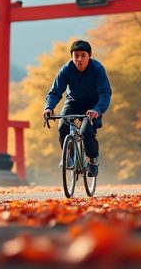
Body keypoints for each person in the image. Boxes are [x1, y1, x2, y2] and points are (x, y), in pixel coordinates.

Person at [42, 40, 112, 177]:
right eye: (76, 56)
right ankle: (70, 156)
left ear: (89, 56)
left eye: (83, 55)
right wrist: (49, 108)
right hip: (73, 102)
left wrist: (97, 110)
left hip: (93, 104)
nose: (79, 59)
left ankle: (93, 160)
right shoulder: (66, 69)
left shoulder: (97, 69)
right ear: (72, 56)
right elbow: (55, 92)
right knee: (62, 127)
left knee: (86, 131)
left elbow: (105, 93)